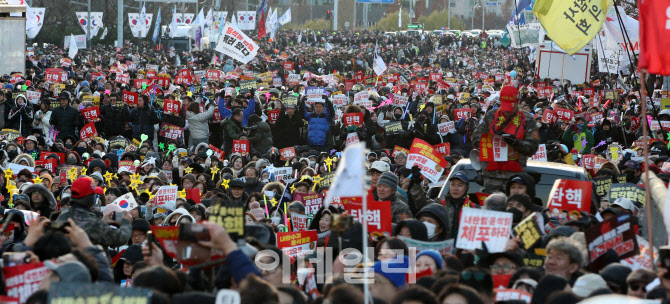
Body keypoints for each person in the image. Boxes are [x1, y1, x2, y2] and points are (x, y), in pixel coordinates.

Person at [472, 86, 540, 193]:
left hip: (515, 177)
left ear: (518, 102)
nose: (507, 111)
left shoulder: (527, 119)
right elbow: (476, 137)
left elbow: (533, 147)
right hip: (492, 175)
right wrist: (491, 140)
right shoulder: (491, 116)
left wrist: (516, 143)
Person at [56, 177, 132, 248]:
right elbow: (121, 238)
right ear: (90, 198)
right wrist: (126, 223)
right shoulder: (93, 223)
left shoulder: (61, 216)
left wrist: (102, 221)